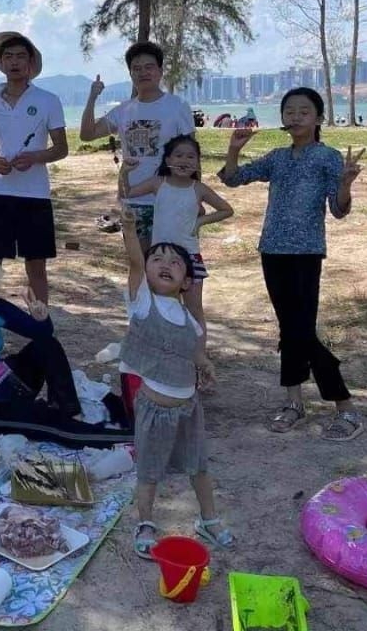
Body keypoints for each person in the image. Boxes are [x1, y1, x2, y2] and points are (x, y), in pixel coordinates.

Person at [218, 87, 366, 441]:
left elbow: (339, 209)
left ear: (317, 118)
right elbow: (233, 178)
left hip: (306, 253)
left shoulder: (328, 158)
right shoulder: (277, 158)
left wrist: (345, 184)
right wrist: (234, 150)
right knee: (289, 329)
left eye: (303, 111)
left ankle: (345, 407)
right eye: (289, 111)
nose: (295, 117)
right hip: (272, 251)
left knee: (301, 331)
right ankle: (294, 403)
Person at [0, 240, 131, 447]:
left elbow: (42, 334)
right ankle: (113, 437)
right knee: (44, 422)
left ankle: (68, 410)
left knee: (46, 345)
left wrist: (40, 318)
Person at [118, 207, 232, 557]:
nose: (164, 264)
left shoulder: (189, 319)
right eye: (157, 259)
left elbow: (193, 352)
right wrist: (129, 229)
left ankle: (208, 520)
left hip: (189, 408)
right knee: (150, 472)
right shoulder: (141, 303)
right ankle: (147, 521)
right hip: (154, 409)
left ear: (186, 282)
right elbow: (136, 263)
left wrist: (206, 364)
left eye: (174, 262)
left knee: (198, 466)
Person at [0, 33, 68, 303]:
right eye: (8, 57)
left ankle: (40, 321)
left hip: (35, 196)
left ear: (30, 63)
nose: (14, 62)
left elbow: (61, 148)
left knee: (36, 265)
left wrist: (35, 157)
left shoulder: (48, 100)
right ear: (1, 63)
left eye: (20, 57)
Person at [81, 42, 195, 245]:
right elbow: (87, 134)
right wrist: (92, 98)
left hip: (169, 199)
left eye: (149, 67)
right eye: (136, 68)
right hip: (132, 200)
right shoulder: (123, 110)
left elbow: (192, 156)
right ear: (130, 74)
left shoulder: (177, 107)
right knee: (139, 266)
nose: (143, 72)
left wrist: (193, 197)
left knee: (171, 266)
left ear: (160, 71)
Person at [118, 134, 233, 332]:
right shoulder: (158, 183)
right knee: (158, 306)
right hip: (160, 257)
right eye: (178, 155)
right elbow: (126, 193)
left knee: (194, 308)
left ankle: (199, 355)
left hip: (189, 257)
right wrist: (124, 172)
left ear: (197, 163)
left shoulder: (199, 189)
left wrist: (200, 221)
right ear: (168, 160)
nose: (184, 161)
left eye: (190, 157)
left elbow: (227, 210)